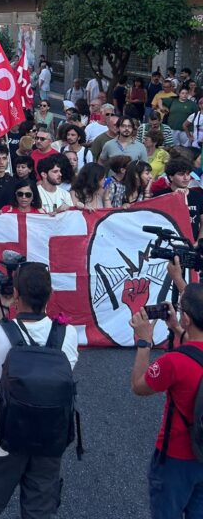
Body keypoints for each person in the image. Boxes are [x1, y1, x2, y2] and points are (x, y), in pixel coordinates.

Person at [0, 260, 79, 519]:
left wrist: (2, 304)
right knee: (39, 512)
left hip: (0, 437)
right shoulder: (68, 334)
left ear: (16, 294)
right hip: (49, 438)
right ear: (50, 295)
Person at [129, 275, 203, 519]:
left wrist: (143, 343)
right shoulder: (185, 354)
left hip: (176, 458)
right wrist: (175, 326)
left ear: (188, 318)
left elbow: (140, 387)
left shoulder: (175, 362)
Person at [152, 159, 203, 242]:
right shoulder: (160, 196)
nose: (186, 178)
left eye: (188, 174)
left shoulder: (198, 196)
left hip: (192, 245)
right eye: (181, 174)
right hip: (166, 244)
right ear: (171, 177)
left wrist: (198, 242)